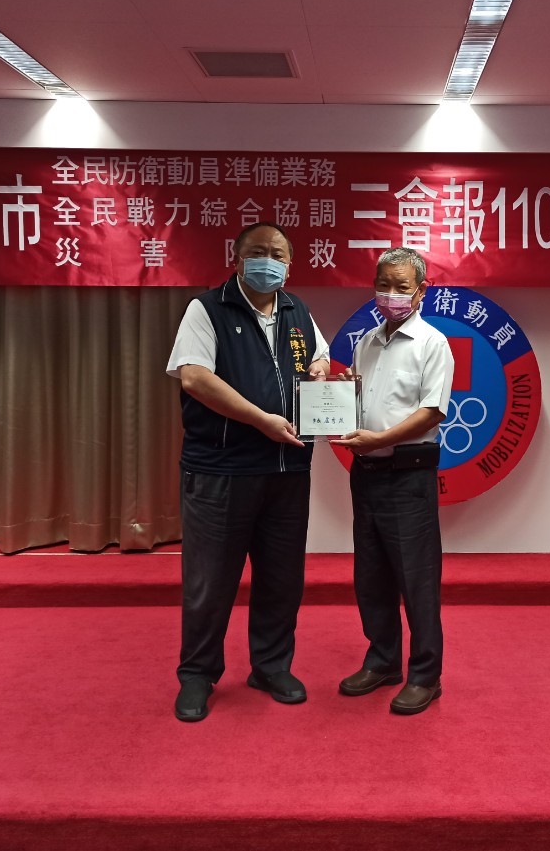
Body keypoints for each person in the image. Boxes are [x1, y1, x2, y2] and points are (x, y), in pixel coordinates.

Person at [166, 222, 330, 723]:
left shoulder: (297, 311)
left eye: (278, 254)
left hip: (287, 471)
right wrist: (261, 420)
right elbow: (194, 377)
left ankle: (271, 666)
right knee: (210, 582)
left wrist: (321, 371)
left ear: (290, 263)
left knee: (282, 579)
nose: (268, 262)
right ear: (236, 259)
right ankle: (198, 675)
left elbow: (320, 357)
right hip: (222, 470)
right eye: (258, 252)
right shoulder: (207, 308)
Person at [333, 247, 454, 715]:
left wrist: (380, 438)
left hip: (408, 474)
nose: (391, 294)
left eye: (401, 287)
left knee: (416, 578)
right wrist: (334, 401)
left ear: (421, 291)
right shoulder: (366, 341)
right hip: (366, 473)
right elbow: (358, 400)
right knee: (371, 575)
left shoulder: (431, 343)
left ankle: (426, 675)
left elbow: (432, 412)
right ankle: (383, 660)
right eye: (383, 285)